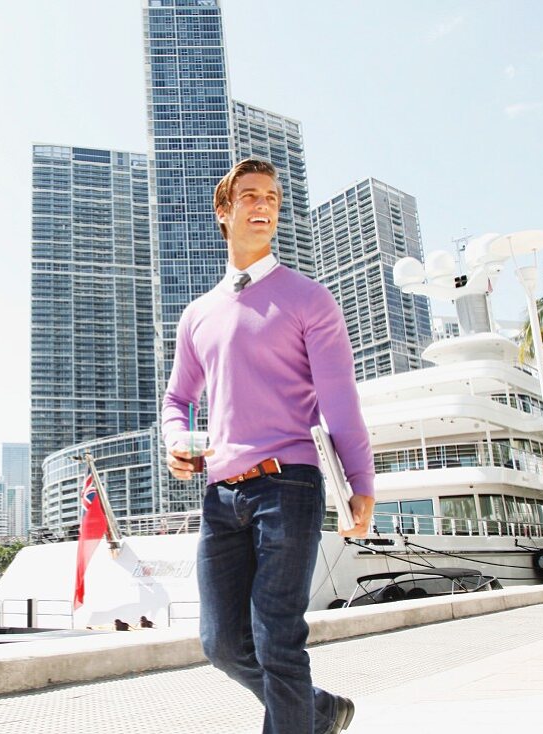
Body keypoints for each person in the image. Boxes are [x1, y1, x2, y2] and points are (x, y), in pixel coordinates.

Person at [162, 158, 375, 734]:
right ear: (223, 213)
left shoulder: (309, 300)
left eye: (273, 199)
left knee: (277, 639)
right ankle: (319, 711)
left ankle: (299, 715)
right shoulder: (197, 314)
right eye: (250, 196)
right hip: (220, 497)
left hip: (290, 484)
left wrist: (361, 486)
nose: (263, 206)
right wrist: (175, 441)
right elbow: (177, 397)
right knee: (221, 644)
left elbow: (340, 403)